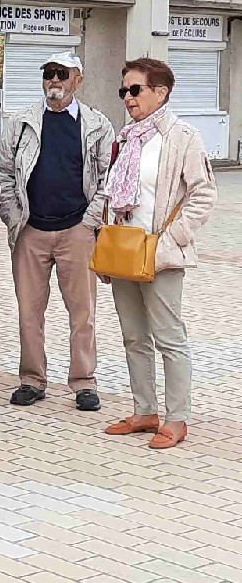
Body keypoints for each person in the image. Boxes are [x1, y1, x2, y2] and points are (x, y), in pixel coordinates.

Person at [88, 58, 216, 449]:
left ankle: (177, 418)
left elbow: (204, 193)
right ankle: (145, 410)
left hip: (159, 253)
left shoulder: (182, 137)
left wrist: (169, 240)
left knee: (169, 338)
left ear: (160, 92)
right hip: (123, 248)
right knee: (133, 337)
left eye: (135, 89)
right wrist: (100, 240)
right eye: (123, 90)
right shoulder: (126, 137)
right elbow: (111, 193)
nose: (128, 97)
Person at [0, 50, 115, 413]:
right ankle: (32, 379)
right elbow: (1, 171)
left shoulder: (97, 124)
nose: (54, 81)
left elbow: (109, 176)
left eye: (62, 74)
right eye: (48, 74)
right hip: (30, 231)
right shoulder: (22, 122)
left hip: (78, 230)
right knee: (29, 311)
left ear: (78, 79)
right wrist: (14, 214)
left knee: (83, 312)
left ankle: (84, 382)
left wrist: (91, 221)